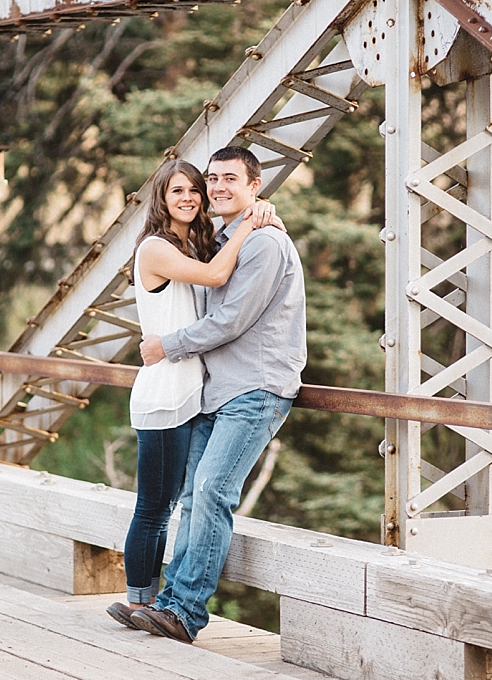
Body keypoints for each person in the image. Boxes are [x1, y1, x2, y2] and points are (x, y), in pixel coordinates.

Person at [130, 146, 306, 644]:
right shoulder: (219, 240)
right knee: (191, 495)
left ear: (255, 185)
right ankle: (166, 603)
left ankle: (185, 612)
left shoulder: (264, 243)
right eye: (212, 179)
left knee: (211, 491)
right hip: (216, 389)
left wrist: (168, 347)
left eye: (231, 178)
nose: (217, 187)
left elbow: (230, 320)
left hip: (256, 386)